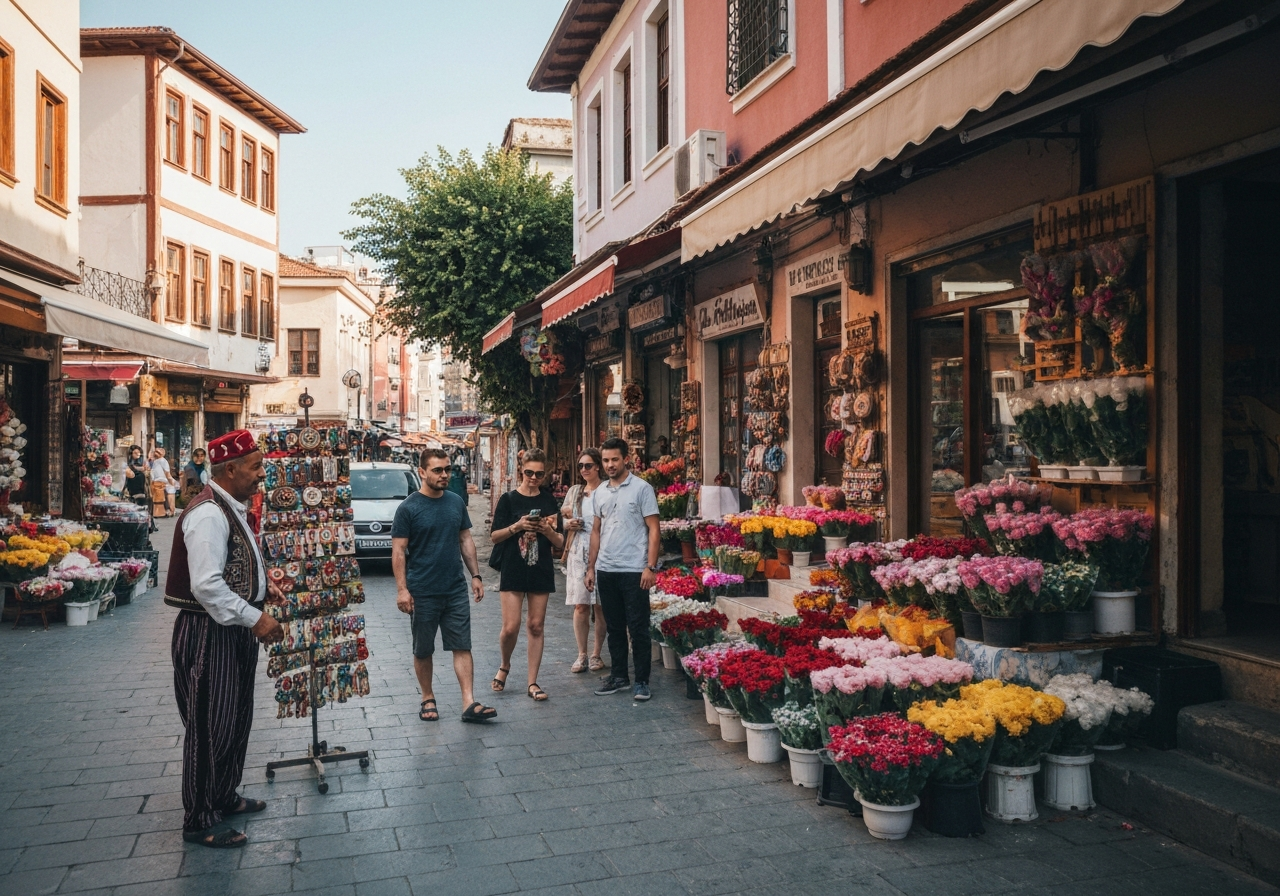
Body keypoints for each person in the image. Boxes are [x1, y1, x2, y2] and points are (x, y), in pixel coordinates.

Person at [166, 430, 285, 848]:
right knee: (208, 725)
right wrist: (255, 618)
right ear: (230, 469)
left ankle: (222, 796)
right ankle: (199, 818)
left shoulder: (230, 507)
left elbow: (235, 564)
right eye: (255, 467)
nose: (261, 476)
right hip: (208, 633)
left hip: (228, 629)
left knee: (234, 718)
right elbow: (207, 585)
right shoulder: (208, 513)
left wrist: (261, 587)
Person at [391, 448, 496, 724]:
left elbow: (465, 540)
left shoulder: (455, 502)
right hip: (422, 590)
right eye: (437, 470)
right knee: (423, 648)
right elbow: (399, 551)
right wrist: (402, 589)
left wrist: (475, 575)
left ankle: (469, 702)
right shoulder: (408, 508)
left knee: (462, 644)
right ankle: (428, 697)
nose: (444, 475)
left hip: (455, 588)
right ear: (422, 472)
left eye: (447, 469)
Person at [585, 437, 661, 701]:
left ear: (626, 459)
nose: (610, 465)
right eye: (605, 460)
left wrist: (650, 567)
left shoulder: (642, 489)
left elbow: (654, 529)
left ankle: (642, 680)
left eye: (614, 459)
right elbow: (595, 532)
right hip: (607, 569)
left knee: (638, 627)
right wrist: (591, 568)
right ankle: (619, 676)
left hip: (634, 569)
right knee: (614, 627)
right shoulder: (600, 492)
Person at [489, 448, 563, 701]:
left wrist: (546, 529)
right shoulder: (509, 499)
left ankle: (533, 682)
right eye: (529, 472)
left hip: (540, 566)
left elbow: (560, 542)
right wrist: (518, 526)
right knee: (511, 627)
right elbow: (495, 536)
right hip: (513, 565)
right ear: (521, 469)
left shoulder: (549, 500)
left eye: (539, 474)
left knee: (536, 625)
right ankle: (505, 664)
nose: (534, 478)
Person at [561, 448, 606, 674]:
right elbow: (562, 517)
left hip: (603, 550)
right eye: (581, 466)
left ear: (598, 466)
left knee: (600, 605)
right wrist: (568, 524)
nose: (584, 470)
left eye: (588, 465)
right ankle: (582, 654)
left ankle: (597, 654)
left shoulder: (607, 490)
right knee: (581, 604)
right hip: (579, 550)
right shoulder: (575, 491)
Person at [149, 448, 174, 517]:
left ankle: (165, 511)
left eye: (158, 452)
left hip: (161, 481)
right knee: (159, 497)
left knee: (161, 498)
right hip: (156, 481)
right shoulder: (156, 461)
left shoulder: (163, 461)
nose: (156, 453)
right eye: (155, 452)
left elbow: (167, 472)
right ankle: (164, 511)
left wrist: (171, 481)